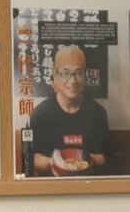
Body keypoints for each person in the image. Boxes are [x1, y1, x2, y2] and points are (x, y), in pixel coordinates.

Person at [30, 45, 109, 176]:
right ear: (55, 76)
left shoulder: (98, 113)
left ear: (85, 77)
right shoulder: (40, 114)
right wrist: (53, 163)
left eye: (78, 73)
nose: (72, 81)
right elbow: (34, 157)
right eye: (65, 73)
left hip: (88, 183)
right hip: (53, 185)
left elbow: (105, 156)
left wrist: (91, 160)